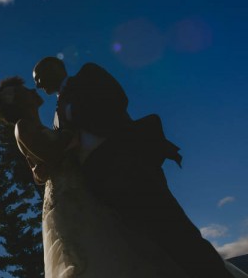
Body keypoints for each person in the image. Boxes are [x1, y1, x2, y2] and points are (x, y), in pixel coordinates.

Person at [32, 57, 235, 278]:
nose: (39, 85)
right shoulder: (55, 115)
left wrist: (72, 119)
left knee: (174, 229)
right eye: (36, 82)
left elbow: (116, 99)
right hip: (101, 183)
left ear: (57, 67)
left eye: (40, 77)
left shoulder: (88, 74)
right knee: (147, 243)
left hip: (127, 162)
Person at [0, 77, 189, 278]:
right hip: (67, 196)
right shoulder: (22, 126)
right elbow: (51, 154)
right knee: (90, 251)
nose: (33, 91)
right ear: (14, 101)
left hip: (81, 189)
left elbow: (40, 171)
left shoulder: (40, 127)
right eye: (25, 90)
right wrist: (72, 135)